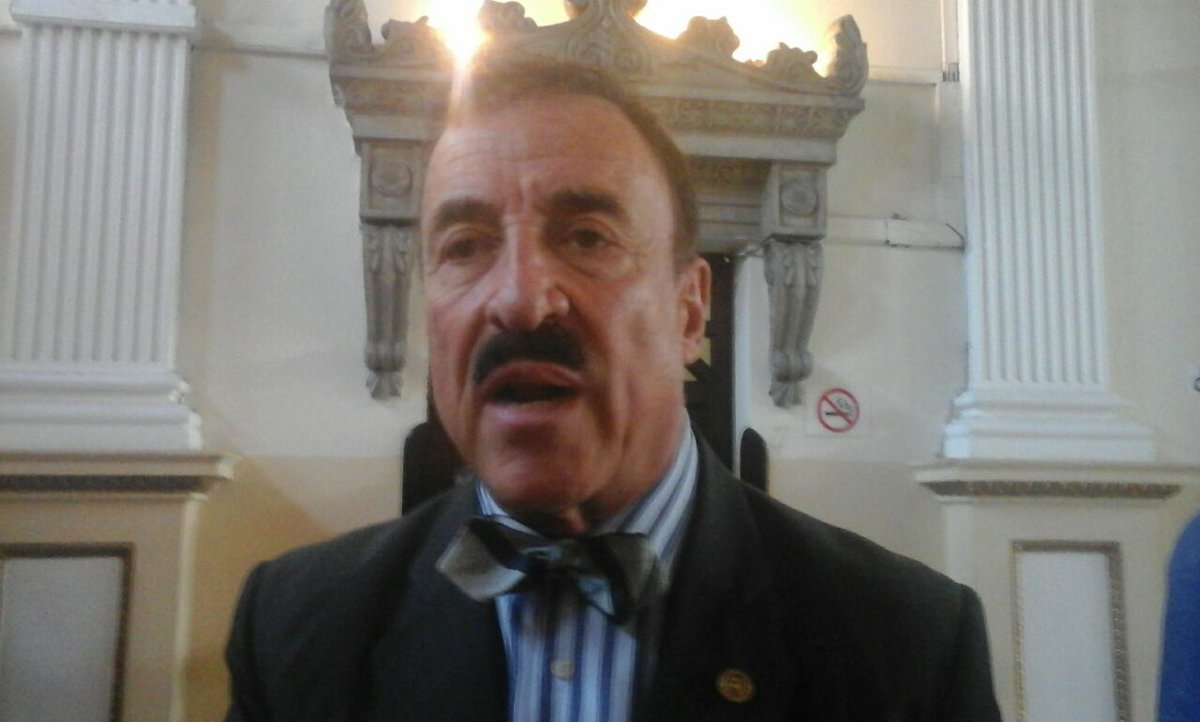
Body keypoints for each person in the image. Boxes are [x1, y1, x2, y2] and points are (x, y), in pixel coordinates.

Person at [224, 57, 1001, 722]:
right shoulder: (296, 626)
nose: (519, 299)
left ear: (690, 311)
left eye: (587, 237)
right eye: (465, 246)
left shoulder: (906, 645)